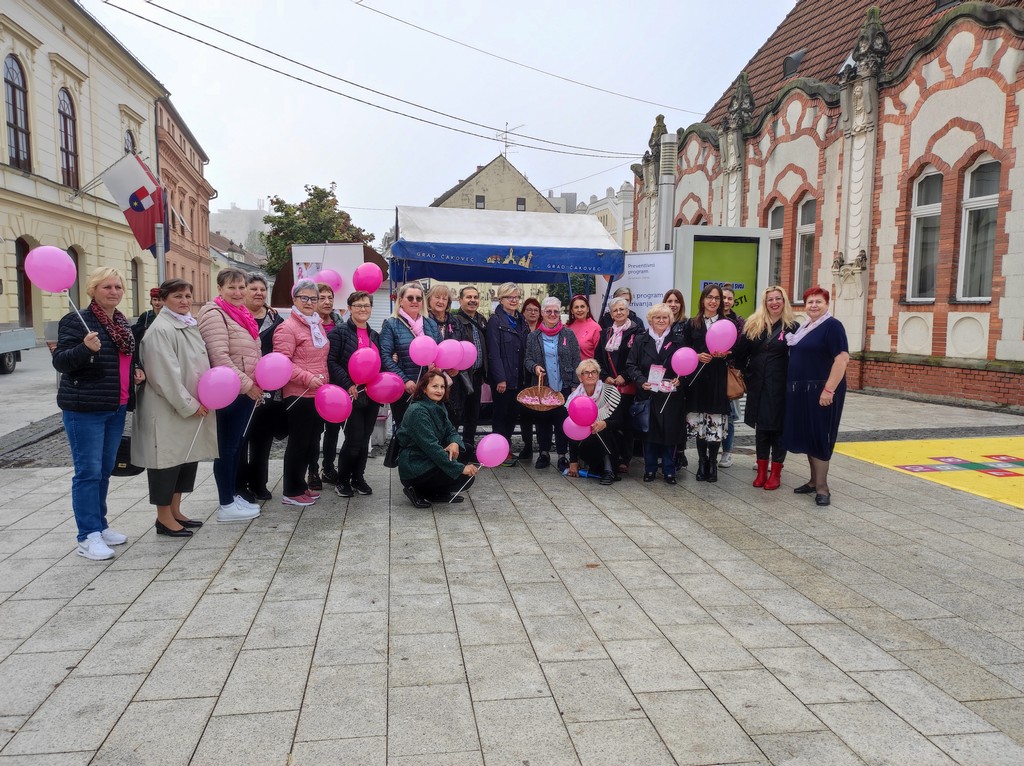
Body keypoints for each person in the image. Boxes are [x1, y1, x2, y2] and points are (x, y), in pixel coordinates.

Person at [53, 267, 145, 560]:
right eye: (107, 287)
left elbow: (123, 359)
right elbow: (61, 362)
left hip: (116, 406)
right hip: (85, 409)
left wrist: (135, 370)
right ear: (93, 290)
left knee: (105, 470)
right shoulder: (76, 320)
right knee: (88, 472)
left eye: (118, 287)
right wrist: (84, 348)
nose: (114, 292)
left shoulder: (121, 322)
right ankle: (87, 536)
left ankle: (100, 525)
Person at [132, 278, 217, 538]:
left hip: (190, 406)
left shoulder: (187, 324)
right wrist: (190, 404)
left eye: (188, 296)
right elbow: (164, 376)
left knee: (185, 460)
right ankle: (164, 517)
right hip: (168, 409)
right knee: (166, 464)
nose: (184, 301)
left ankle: (176, 510)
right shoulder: (161, 329)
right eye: (178, 296)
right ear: (164, 299)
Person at [197, 268, 263, 523]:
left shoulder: (241, 314)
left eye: (241, 287)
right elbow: (219, 357)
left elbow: (250, 353)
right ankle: (226, 503)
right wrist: (248, 385)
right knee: (227, 448)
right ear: (220, 289)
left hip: (244, 390)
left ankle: (232, 495)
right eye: (231, 287)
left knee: (236, 446)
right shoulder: (215, 314)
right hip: (229, 391)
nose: (237, 292)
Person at [783, 286, 849, 507]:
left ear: (827, 304)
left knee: (820, 436)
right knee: (809, 435)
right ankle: (813, 481)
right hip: (803, 391)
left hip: (822, 391)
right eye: (810, 302)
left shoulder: (832, 326)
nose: (813, 305)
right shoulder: (806, 327)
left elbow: (842, 360)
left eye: (818, 301)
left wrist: (829, 390)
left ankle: (822, 488)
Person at [734, 286, 799, 490]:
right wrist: (748, 374)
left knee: (778, 429)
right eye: (770, 299)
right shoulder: (754, 325)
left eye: (778, 298)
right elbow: (740, 354)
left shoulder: (793, 327)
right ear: (764, 302)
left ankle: (776, 474)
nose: (774, 302)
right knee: (762, 429)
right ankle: (762, 471)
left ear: (784, 301)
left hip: (781, 387)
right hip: (758, 386)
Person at [273, 279, 329, 506]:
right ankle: (291, 490)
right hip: (299, 393)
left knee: (310, 443)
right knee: (298, 443)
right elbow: (282, 363)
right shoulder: (287, 328)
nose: (309, 302)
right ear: (294, 299)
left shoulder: (315, 324)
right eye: (304, 297)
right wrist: (307, 378)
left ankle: (301, 485)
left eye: (313, 298)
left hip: (317, 393)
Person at [327, 290, 382, 498]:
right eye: (358, 305)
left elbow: (378, 364)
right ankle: (342, 480)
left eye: (366, 305)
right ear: (350, 308)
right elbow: (331, 361)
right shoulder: (339, 333)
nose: (362, 309)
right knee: (354, 439)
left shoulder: (374, 335)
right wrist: (348, 383)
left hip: (371, 395)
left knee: (365, 438)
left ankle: (358, 478)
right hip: (350, 395)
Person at [397, 371, 480, 508]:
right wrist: (460, 468)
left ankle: (436, 492)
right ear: (424, 388)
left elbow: (450, 430)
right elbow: (432, 447)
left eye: (442, 387)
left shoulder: (438, 405)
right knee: (464, 477)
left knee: (466, 449)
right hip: (415, 463)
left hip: (427, 457)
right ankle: (415, 489)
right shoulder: (417, 411)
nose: (439, 390)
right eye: (435, 386)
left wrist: (454, 442)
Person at [626, 303, 685, 484]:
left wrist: (680, 379)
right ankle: (650, 469)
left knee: (669, 434)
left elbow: (685, 366)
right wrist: (641, 381)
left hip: (669, 396)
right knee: (649, 435)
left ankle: (669, 470)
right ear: (650, 320)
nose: (661, 320)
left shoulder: (679, 341)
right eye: (657, 317)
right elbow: (631, 365)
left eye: (664, 317)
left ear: (670, 320)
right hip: (648, 393)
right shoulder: (640, 340)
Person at [238, 273, 284, 501]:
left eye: (262, 289)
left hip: (268, 388)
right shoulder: (235, 317)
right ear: (244, 291)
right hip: (241, 385)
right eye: (253, 289)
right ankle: (240, 485)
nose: (259, 293)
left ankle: (259, 483)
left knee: (262, 439)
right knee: (241, 439)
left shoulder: (276, 320)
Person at [679, 285, 731, 482]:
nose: (713, 301)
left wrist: (726, 354)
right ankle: (702, 462)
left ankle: (713, 463)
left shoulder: (727, 323)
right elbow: (683, 348)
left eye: (717, 298)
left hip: (717, 379)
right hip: (697, 379)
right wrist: (697, 355)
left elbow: (737, 349)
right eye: (709, 297)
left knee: (714, 421)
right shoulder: (692, 324)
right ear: (702, 300)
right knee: (700, 422)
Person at [525, 297, 581, 472]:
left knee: (562, 421)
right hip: (543, 388)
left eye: (556, 311)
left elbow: (576, 360)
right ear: (542, 313)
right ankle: (544, 453)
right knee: (542, 421)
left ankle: (562, 455)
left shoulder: (568, 334)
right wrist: (535, 367)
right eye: (548, 311)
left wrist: (574, 384)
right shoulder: (533, 336)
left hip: (564, 386)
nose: (552, 314)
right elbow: (527, 360)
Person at [380, 282, 442, 428]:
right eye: (410, 298)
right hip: (405, 391)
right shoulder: (391, 324)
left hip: (429, 388)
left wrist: (437, 367)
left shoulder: (431, 324)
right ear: (401, 300)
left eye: (418, 298)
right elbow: (385, 356)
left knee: (428, 430)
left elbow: (440, 351)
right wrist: (404, 381)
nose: (415, 301)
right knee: (406, 430)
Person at [596, 296, 643, 474]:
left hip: (628, 385)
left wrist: (625, 375)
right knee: (611, 422)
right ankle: (613, 456)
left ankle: (625, 458)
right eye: (615, 310)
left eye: (622, 309)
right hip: (609, 386)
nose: (619, 312)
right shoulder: (605, 334)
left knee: (626, 424)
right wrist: (605, 376)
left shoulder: (638, 332)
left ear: (628, 311)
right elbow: (598, 358)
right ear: (611, 314)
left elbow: (639, 359)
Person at [485, 282, 528, 466]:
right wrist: (500, 378)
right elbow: (493, 353)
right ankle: (499, 452)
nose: (514, 300)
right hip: (503, 379)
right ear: (501, 299)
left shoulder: (520, 320)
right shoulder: (495, 321)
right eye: (509, 297)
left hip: (519, 378)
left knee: (512, 416)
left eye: (516, 297)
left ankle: (506, 448)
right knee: (500, 416)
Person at [565, 358, 623, 485]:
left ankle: (609, 470)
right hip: (586, 444)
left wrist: (605, 424)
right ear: (580, 377)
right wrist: (573, 461)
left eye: (594, 372)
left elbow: (620, 421)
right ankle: (603, 468)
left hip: (610, 441)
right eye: (586, 373)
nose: (590, 375)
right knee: (589, 429)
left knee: (600, 428)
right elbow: (572, 431)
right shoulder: (574, 399)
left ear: (598, 375)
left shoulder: (610, 392)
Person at [310, 282, 344, 489]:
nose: (327, 302)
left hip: (335, 385)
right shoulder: (309, 323)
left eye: (330, 298)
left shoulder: (340, 322)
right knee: (314, 431)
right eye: (321, 298)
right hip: (314, 383)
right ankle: (312, 471)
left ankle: (328, 468)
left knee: (333, 429)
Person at [453, 286, 488, 459]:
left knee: (473, 416)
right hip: (460, 376)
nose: (472, 300)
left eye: (475, 297)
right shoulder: (454, 321)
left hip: (477, 375)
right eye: (468, 297)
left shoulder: (482, 320)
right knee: (456, 415)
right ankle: (452, 450)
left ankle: (468, 449)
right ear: (460, 300)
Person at [426, 283, 465, 426]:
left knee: (452, 418)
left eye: (444, 298)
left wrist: (457, 367)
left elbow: (463, 347)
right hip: (430, 377)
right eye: (437, 297)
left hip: (453, 379)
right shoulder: (423, 321)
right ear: (429, 299)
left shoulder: (455, 322)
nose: (441, 301)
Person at [719, 286, 746, 468]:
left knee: (729, 416)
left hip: (730, 373)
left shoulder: (739, 322)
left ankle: (727, 452)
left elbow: (742, 349)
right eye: (723, 298)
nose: (726, 301)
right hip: (711, 372)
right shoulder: (711, 318)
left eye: (730, 298)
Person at [663, 288, 689, 469]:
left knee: (679, 418)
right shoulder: (661, 322)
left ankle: (680, 452)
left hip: (680, 378)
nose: (673, 305)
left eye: (676, 301)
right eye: (669, 301)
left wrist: (682, 377)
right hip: (662, 377)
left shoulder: (687, 324)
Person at [518, 296, 542, 460]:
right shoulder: (520, 328)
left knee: (540, 413)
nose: (532, 313)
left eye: (536, 310)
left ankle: (542, 447)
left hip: (539, 376)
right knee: (525, 413)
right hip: (522, 376)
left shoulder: (544, 328)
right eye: (529, 310)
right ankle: (527, 446)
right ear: (523, 312)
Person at [567, 294, 602, 360]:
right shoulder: (567, 328)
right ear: (572, 311)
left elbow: (600, 355)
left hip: (588, 366)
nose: (579, 310)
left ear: (588, 309)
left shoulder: (595, 328)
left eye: (582, 306)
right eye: (576, 307)